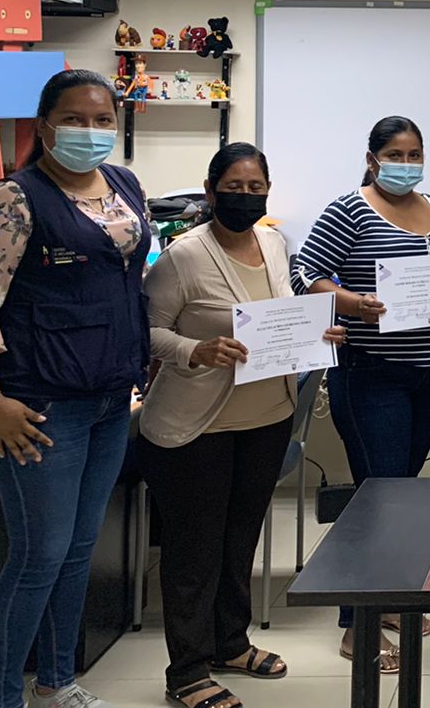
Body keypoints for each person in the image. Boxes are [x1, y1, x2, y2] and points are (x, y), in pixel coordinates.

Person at [0, 69, 148, 708]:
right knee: (38, 557)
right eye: (75, 119)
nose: (90, 131)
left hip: (109, 400)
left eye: (102, 120)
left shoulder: (125, 185)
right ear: (45, 125)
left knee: (77, 553)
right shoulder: (13, 198)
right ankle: (2, 699)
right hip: (38, 407)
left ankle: (57, 682)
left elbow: (125, 287)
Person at [138, 143, 347, 708]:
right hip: (196, 427)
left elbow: (281, 316)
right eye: (234, 187)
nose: (246, 197)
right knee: (194, 552)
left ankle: (231, 643)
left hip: (266, 420)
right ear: (210, 191)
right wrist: (195, 350)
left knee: (238, 541)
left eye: (256, 188)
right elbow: (146, 331)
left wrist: (317, 332)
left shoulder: (274, 243)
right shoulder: (183, 255)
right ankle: (187, 673)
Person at [292, 115, 430, 670]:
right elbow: (306, 274)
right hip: (371, 373)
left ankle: (388, 599)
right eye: (395, 154)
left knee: (402, 493)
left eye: (415, 154)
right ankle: (357, 626)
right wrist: (353, 303)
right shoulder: (349, 209)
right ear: (373, 159)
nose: (406, 164)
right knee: (376, 498)